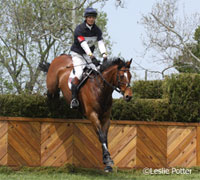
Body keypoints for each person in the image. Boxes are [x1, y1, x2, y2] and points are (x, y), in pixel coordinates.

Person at [70, 7, 107, 109]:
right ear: (86, 18)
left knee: (98, 72)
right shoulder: (79, 29)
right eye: (89, 17)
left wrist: (104, 55)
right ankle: (73, 99)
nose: (91, 19)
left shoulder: (97, 30)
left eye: (93, 17)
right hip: (77, 54)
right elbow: (83, 44)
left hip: (87, 55)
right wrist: (92, 56)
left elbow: (100, 42)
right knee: (79, 73)